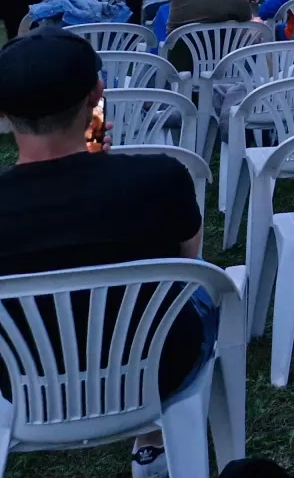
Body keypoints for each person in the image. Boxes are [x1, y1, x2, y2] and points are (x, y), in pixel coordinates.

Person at [0, 28, 211, 478]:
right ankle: (152, 439)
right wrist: (99, 164)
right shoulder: (162, 178)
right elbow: (188, 262)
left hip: (17, 381)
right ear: (98, 93)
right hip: (158, 368)